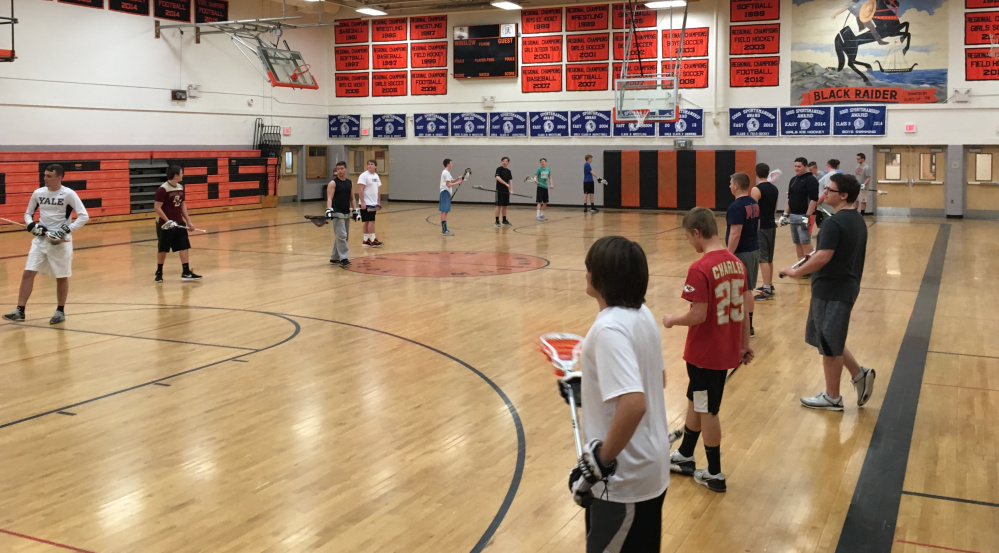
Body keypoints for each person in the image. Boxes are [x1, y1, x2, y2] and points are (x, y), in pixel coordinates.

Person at [567, 235, 670, 551]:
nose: (586, 273)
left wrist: (600, 461)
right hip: (650, 469)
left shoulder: (608, 329)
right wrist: (590, 388)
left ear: (601, 277)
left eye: (589, 268)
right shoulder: (642, 314)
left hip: (624, 479)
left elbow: (634, 404)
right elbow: (657, 378)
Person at [663, 207, 754, 493]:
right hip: (724, 348)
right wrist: (744, 344)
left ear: (697, 233)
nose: (690, 243)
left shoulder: (700, 268)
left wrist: (672, 320)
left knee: (707, 409)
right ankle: (686, 455)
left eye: (688, 238)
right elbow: (744, 309)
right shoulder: (736, 263)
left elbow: (698, 315)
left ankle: (714, 473)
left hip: (706, 353)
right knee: (696, 398)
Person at [781, 173, 876, 411]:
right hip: (842, 287)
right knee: (828, 339)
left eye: (830, 191)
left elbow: (825, 256)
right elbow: (831, 251)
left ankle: (833, 397)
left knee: (830, 345)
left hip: (833, 290)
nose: (824, 194)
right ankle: (859, 374)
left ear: (843, 195)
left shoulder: (834, 223)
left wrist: (797, 271)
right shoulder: (855, 219)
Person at [3, 164, 89, 324]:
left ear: (59, 178)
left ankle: (60, 311)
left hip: (60, 242)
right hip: (40, 241)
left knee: (61, 276)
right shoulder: (38, 193)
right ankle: (20, 310)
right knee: (28, 272)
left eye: (49, 176)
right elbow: (28, 214)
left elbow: (84, 216)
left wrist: (64, 230)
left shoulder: (69, 194)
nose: (45, 178)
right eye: (44, 175)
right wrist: (31, 226)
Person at [154, 165, 202, 283]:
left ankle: (186, 272)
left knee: (184, 246)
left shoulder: (180, 187)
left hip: (178, 222)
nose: (183, 174)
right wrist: (167, 221)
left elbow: (182, 205)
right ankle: (159, 271)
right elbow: (157, 207)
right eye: (181, 173)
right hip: (165, 224)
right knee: (163, 248)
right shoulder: (162, 189)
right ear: (176, 175)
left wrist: (189, 221)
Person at [726, 173, 760, 337]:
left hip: (741, 252)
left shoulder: (736, 206)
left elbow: (735, 234)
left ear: (737, 186)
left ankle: (743, 327)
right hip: (754, 249)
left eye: (731, 183)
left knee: (741, 290)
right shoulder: (753, 203)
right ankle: (749, 326)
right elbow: (757, 226)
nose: (730, 186)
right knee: (748, 289)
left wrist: (727, 254)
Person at [783, 157, 820, 264]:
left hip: (804, 215)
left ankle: (812, 266)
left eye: (799, 166)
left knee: (805, 242)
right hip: (793, 216)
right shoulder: (793, 180)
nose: (796, 168)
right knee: (797, 242)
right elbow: (789, 198)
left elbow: (814, 199)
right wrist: (785, 214)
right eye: (795, 166)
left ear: (805, 167)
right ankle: (802, 265)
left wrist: (807, 216)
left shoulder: (811, 180)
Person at [752, 163, 779, 301]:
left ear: (756, 173)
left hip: (760, 226)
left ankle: (767, 288)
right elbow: (774, 209)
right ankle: (769, 284)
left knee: (762, 258)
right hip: (771, 224)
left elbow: (754, 211)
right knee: (769, 257)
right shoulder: (774, 188)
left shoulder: (756, 190)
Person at [326, 161, 358, 267]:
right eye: (338, 169)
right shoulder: (333, 183)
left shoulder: (349, 182)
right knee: (342, 235)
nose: (339, 170)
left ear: (345, 169)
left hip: (346, 212)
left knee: (343, 236)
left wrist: (355, 210)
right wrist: (329, 209)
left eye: (341, 168)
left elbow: (352, 198)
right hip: (337, 212)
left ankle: (334, 257)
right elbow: (329, 198)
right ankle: (343, 258)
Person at [357, 160, 383, 247]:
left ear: (375, 166)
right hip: (367, 203)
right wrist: (362, 202)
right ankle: (372, 240)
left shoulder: (376, 176)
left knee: (368, 221)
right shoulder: (364, 175)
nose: (370, 166)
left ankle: (365, 240)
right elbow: (360, 189)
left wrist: (378, 201)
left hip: (374, 202)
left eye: (372, 164)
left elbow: (378, 189)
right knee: (371, 221)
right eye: (368, 164)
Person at [439, 158, 463, 236]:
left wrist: (457, 179)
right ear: (448, 164)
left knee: (445, 212)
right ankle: (444, 230)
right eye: (451, 163)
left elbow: (451, 181)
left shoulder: (447, 173)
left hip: (446, 193)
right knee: (444, 212)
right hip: (445, 192)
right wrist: (458, 182)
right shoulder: (445, 173)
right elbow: (448, 184)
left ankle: (444, 229)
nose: (452, 164)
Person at [494, 156, 513, 227]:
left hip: (506, 191)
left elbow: (510, 181)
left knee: (505, 206)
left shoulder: (508, 171)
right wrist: (505, 184)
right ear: (501, 162)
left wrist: (511, 190)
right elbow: (497, 177)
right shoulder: (499, 169)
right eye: (503, 161)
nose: (504, 162)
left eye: (506, 161)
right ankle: (497, 221)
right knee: (498, 206)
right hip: (499, 190)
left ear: (508, 162)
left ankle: (504, 220)